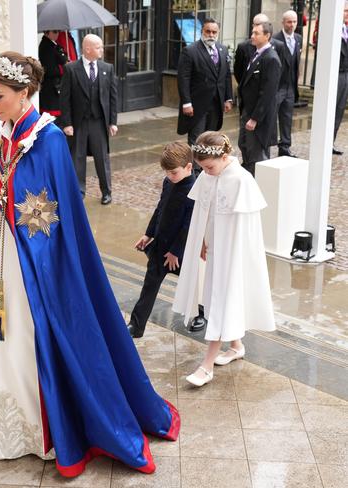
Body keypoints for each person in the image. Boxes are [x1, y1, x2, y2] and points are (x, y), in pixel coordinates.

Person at [0, 52, 179, 477]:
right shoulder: (1, 136)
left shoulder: (47, 140)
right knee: (6, 337)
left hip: (40, 265)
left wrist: (26, 239)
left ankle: (54, 427)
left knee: (36, 336)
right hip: (5, 258)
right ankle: (16, 427)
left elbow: (56, 216)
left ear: (23, 92)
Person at [173, 131, 276, 387]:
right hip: (215, 250)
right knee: (217, 298)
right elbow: (204, 212)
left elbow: (246, 229)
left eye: (209, 167)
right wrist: (203, 240)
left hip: (233, 253)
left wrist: (233, 254)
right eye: (202, 168)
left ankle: (206, 365)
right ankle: (236, 346)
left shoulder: (242, 180)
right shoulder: (209, 176)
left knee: (221, 301)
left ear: (225, 156)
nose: (205, 173)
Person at [127, 142, 195, 338]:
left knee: (194, 285)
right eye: (166, 172)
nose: (169, 176)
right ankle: (136, 325)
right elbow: (160, 210)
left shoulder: (194, 189)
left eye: (173, 172)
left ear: (189, 167)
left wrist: (175, 252)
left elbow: (188, 225)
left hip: (179, 252)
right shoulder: (169, 182)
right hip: (159, 247)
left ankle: (203, 314)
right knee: (149, 287)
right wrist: (148, 234)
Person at [60, 34, 118, 205]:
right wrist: (67, 123)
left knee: (102, 158)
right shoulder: (71, 69)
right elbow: (65, 99)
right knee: (77, 158)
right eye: (98, 47)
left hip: (99, 122)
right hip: (78, 123)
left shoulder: (107, 68)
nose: (102, 49)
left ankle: (106, 191)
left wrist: (113, 122)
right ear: (87, 49)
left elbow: (113, 97)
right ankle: (79, 191)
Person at [177, 18, 233, 161]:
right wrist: (186, 103)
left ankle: (209, 166)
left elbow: (226, 75)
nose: (211, 35)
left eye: (214, 32)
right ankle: (195, 170)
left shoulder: (222, 49)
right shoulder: (190, 51)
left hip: (216, 104)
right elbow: (183, 78)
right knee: (197, 140)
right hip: (197, 105)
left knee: (211, 139)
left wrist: (228, 98)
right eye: (208, 31)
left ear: (218, 33)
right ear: (202, 31)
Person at [237, 21, 281, 176]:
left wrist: (254, 118)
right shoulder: (256, 54)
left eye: (256, 33)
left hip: (258, 118)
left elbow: (268, 93)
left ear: (267, 36)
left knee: (256, 155)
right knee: (244, 147)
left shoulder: (271, 59)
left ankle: (257, 187)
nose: (252, 36)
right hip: (247, 111)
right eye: (252, 32)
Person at [273, 11, 302, 157]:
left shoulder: (298, 38)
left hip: (291, 86)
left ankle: (284, 147)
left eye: (294, 22)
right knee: (271, 117)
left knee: (287, 118)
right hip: (277, 87)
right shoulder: (275, 40)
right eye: (289, 22)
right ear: (283, 22)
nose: (292, 25)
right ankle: (266, 145)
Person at [38, 30, 68, 117]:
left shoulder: (53, 45)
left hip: (56, 84)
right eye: (54, 32)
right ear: (47, 33)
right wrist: (65, 67)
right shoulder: (46, 46)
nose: (57, 34)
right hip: (51, 86)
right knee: (53, 116)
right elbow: (50, 70)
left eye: (57, 31)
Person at [333, 2, 348, 155]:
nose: (346, 14)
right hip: (335, 74)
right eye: (344, 11)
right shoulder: (333, 31)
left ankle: (331, 141)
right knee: (331, 108)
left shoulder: (346, 31)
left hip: (345, 74)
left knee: (339, 109)